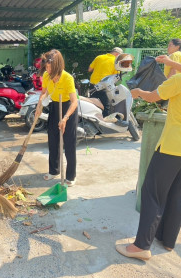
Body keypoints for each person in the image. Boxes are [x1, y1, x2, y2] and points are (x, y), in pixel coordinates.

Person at [115, 33, 181, 261]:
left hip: (173, 147)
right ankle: (168, 241)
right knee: (179, 194)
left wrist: (139, 92)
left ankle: (141, 246)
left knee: (152, 194)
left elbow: (153, 96)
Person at [35, 49, 78, 186]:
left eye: (50, 67)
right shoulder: (47, 76)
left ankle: (71, 176)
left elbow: (74, 101)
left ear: (57, 65)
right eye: (46, 66)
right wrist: (39, 105)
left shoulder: (67, 78)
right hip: (54, 107)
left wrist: (65, 118)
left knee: (69, 144)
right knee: (53, 140)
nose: (47, 70)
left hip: (68, 110)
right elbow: (44, 93)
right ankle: (54, 170)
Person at [88, 47, 123, 117]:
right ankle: (103, 123)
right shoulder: (115, 61)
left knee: (92, 103)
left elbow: (89, 69)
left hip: (93, 85)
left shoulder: (99, 57)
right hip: (105, 87)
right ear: (117, 54)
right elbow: (116, 76)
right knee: (105, 106)